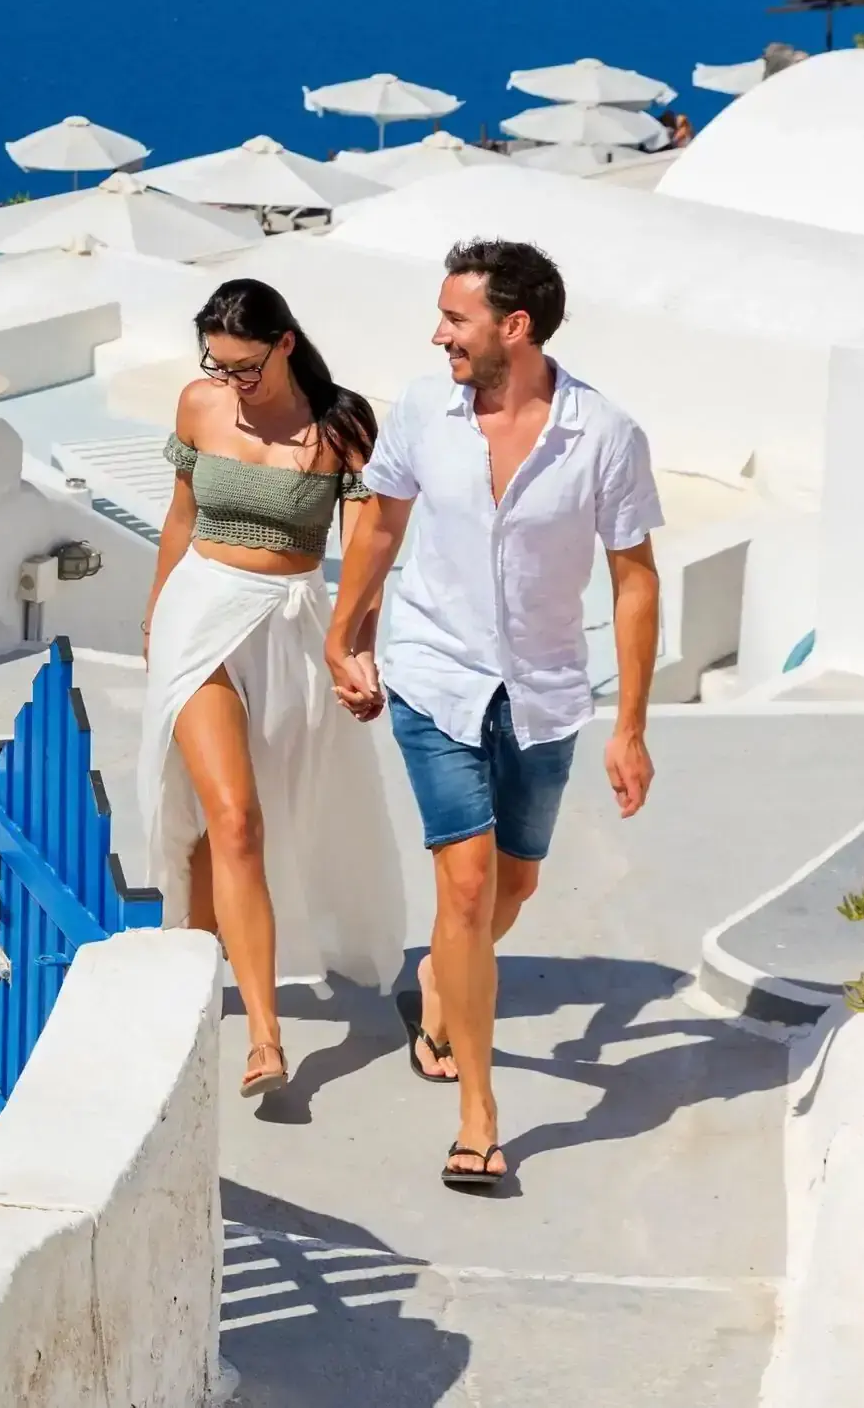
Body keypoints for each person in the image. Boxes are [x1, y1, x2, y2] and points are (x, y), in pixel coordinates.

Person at [325, 239, 661, 1193]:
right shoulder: (422, 410)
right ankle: (480, 1115)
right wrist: (346, 631)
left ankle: (443, 981)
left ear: (514, 327)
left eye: (456, 319)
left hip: (546, 690)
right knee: (465, 891)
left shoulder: (604, 434)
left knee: (511, 888)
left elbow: (635, 584)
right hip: (435, 673)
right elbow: (380, 519)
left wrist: (631, 725)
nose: (439, 335)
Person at [138, 279, 408, 1102]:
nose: (231, 385)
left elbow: (368, 559)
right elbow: (181, 520)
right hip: (198, 618)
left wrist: (355, 651)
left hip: (287, 623)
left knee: (274, 809)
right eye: (217, 366)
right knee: (233, 818)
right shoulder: (199, 404)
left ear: (285, 343)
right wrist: (155, 624)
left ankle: (194, 948)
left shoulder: (344, 425)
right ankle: (263, 1033)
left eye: (245, 367)